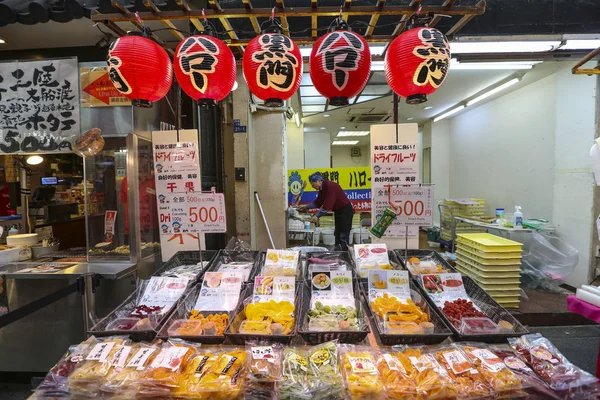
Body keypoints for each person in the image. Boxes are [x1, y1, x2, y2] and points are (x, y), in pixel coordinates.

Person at [297, 172, 354, 248]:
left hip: (345, 210)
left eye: (312, 184)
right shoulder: (322, 189)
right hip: (338, 211)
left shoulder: (329, 186)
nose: (312, 186)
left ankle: (345, 254)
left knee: (343, 234)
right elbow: (317, 203)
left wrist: (317, 216)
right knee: (337, 233)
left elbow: (328, 205)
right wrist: (305, 206)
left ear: (318, 181)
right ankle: (339, 252)